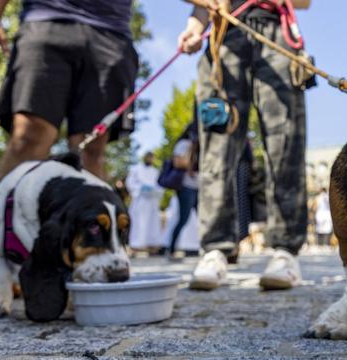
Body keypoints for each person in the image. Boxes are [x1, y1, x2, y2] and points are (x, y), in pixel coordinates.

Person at [179, 0, 311, 290]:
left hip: (275, 33)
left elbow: (305, 2)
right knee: (216, 144)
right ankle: (214, 250)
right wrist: (195, 25)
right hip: (224, 34)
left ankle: (285, 252)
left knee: (284, 142)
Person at [0, 0, 138, 179]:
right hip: (45, 23)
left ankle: (84, 206)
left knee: (92, 149)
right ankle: (9, 206)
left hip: (112, 36)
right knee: (28, 137)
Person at [168, 123, 199, 259]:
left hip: (200, 185)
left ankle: (206, 247)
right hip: (187, 187)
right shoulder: (183, 144)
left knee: (204, 219)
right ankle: (171, 248)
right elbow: (178, 162)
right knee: (183, 219)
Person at [126, 152, 163, 251]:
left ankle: (152, 245)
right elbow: (130, 182)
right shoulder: (135, 169)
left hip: (153, 200)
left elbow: (160, 185)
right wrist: (140, 188)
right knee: (139, 223)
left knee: (153, 223)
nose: (150, 159)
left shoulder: (155, 171)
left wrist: (156, 191)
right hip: (140, 200)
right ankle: (135, 245)